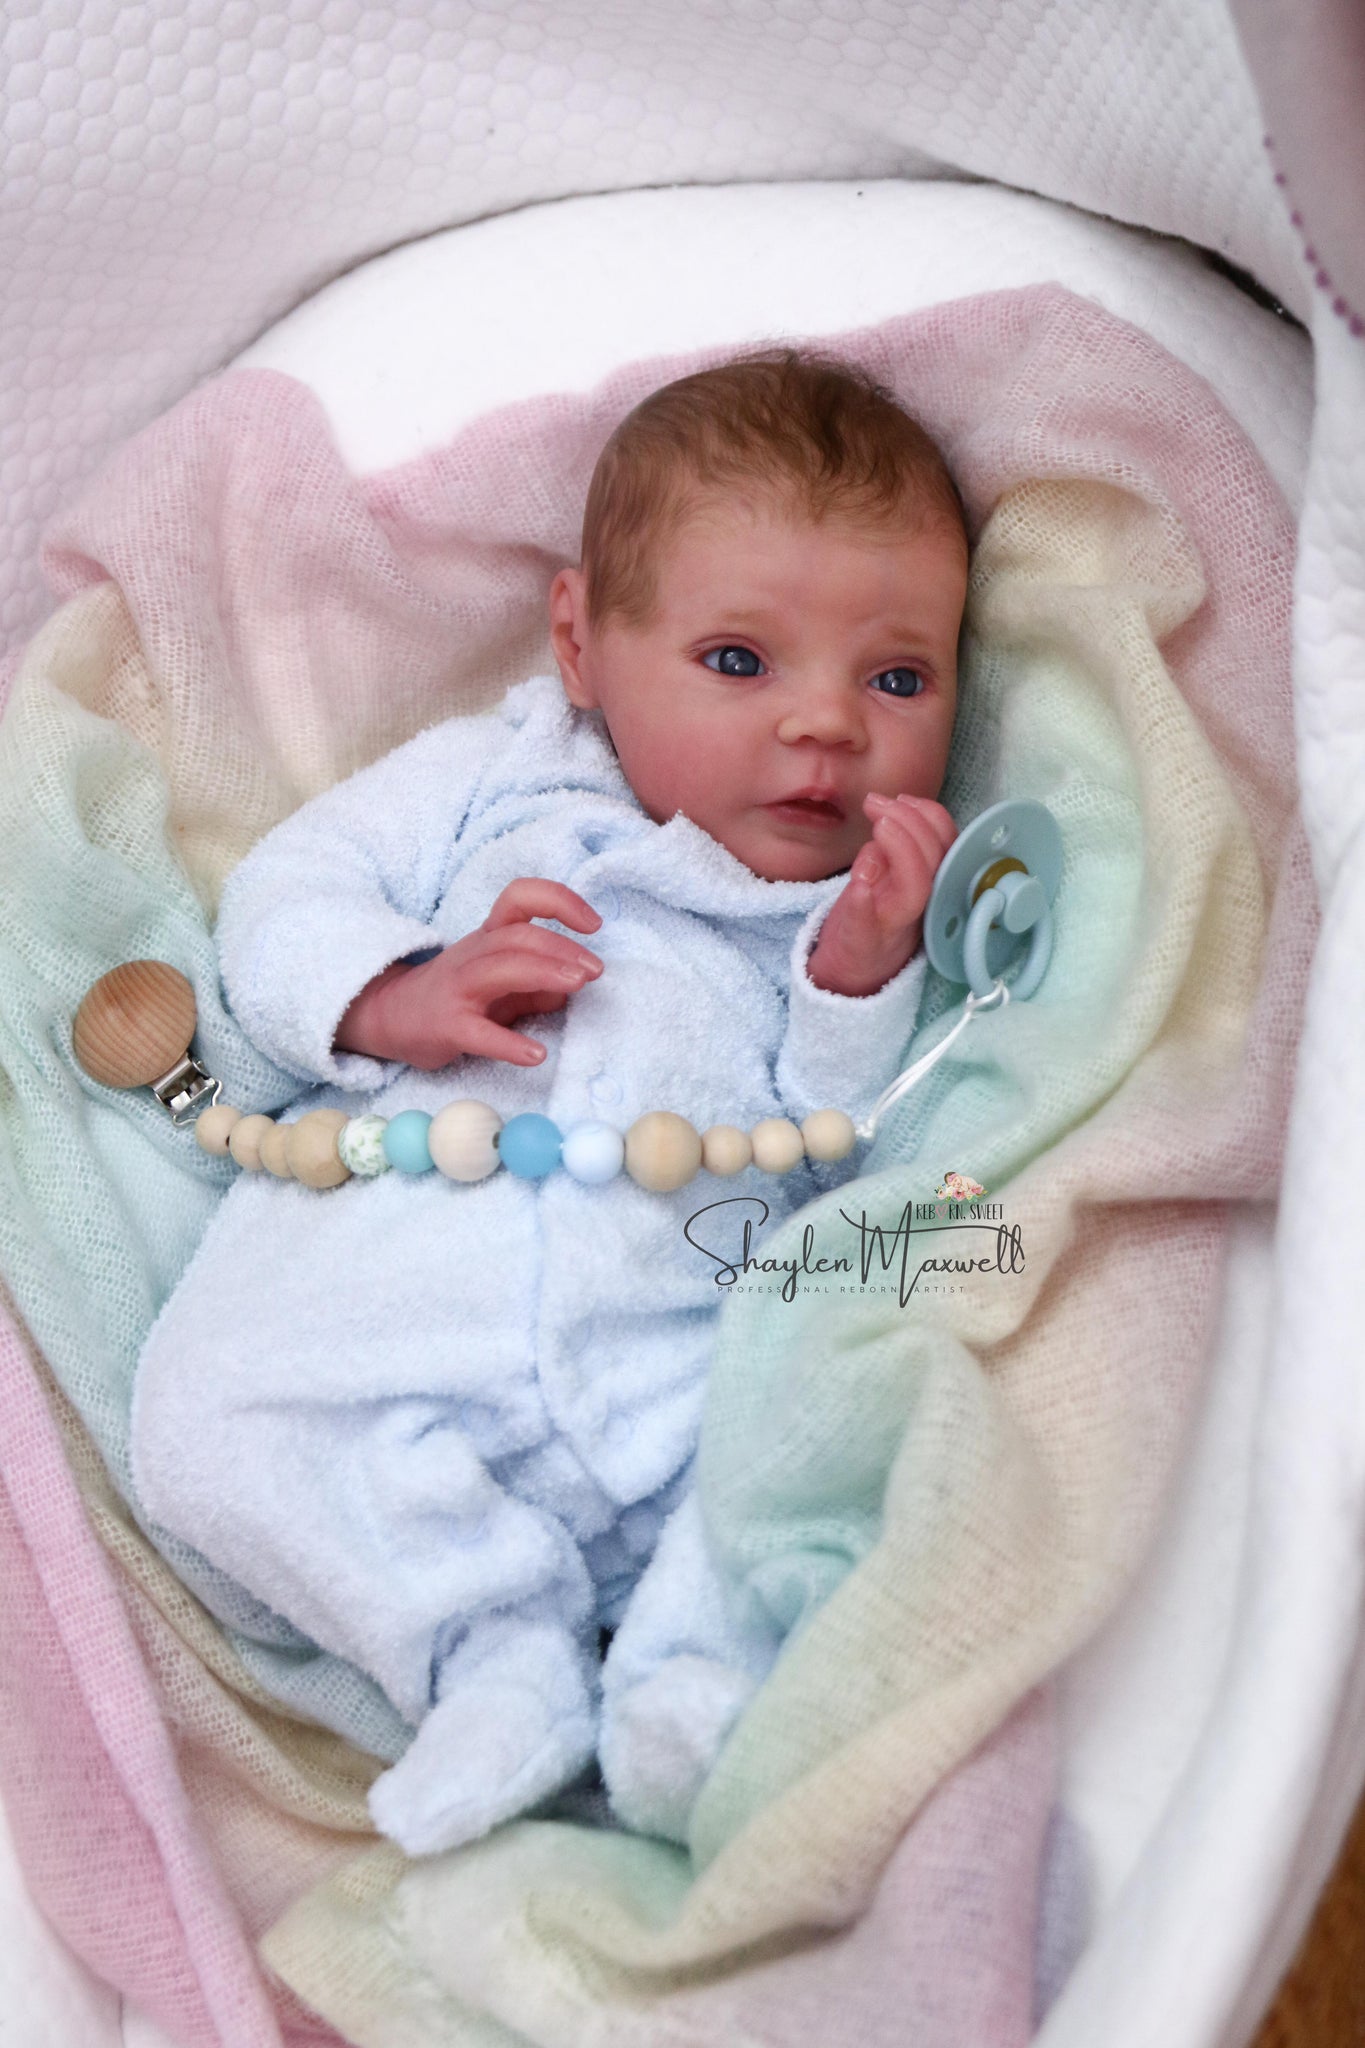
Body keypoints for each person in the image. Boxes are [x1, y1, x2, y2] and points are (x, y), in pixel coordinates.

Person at [131, 348, 969, 1855]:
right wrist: (396, 989)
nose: (826, 726)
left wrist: (860, 978)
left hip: (668, 1341)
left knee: (813, 1411)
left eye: (896, 679)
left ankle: (685, 1692)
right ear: (582, 643)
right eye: (739, 660)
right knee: (206, 1423)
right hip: (383, 1305)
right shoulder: (494, 775)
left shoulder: (855, 909)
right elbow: (285, 892)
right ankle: (489, 1655)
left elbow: (840, 1149)